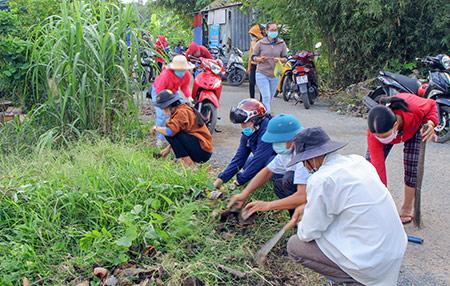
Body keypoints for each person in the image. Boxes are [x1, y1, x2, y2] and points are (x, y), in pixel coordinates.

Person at [286, 127, 407, 286]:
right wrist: (310, 209)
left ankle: (356, 282)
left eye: (304, 161)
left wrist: (304, 220)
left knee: (295, 245)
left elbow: (308, 233)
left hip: (370, 261)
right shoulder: (358, 162)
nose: (305, 167)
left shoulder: (322, 179)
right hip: (394, 249)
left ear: (313, 158)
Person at [366, 93, 438, 224]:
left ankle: (407, 208)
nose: (382, 139)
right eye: (379, 137)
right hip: (392, 131)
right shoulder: (375, 133)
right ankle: (372, 205)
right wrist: (383, 204)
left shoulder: (415, 108)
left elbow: (432, 105)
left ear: (395, 126)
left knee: (412, 169)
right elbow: (378, 170)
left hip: (413, 128)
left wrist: (432, 123)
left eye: (384, 136)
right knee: (369, 170)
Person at [227, 114, 309, 217]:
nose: (275, 145)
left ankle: (308, 220)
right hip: (309, 192)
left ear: (291, 138)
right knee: (280, 184)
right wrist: (245, 193)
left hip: (323, 196)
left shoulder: (305, 154)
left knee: (289, 179)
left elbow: (302, 196)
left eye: (277, 141)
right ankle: (297, 220)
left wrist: (267, 205)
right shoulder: (287, 151)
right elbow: (267, 171)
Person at [213, 99, 275, 189]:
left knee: (268, 164)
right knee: (247, 163)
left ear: (255, 120)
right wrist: (220, 179)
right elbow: (239, 157)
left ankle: (274, 186)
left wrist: (238, 182)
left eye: (244, 123)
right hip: (264, 158)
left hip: (279, 160)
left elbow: (259, 160)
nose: (242, 126)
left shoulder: (267, 131)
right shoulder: (249, 131)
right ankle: (262, 177)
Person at [152, 90, 212, 167]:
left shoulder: (181, 113)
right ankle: (188, 163)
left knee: (168, 132)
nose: (163, 111)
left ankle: (190, 165)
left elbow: (170, 132)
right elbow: (180, 134)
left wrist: (156, 128)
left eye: (163, 108)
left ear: (169, 106)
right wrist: (168, 149)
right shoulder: (182, 109)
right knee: (174, 132)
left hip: (202, 151)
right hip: (202, 149)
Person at [150, 55, 194, 146]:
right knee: (161, 115)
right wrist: (165, 107)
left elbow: (184, 87)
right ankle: (160, 139)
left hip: (173, 91)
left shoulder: (186, 75)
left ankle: (172, 134)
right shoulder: (166, 75)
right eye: (179, 69)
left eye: (183, 70)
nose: (182, 72)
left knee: (177, 111)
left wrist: (188, 96)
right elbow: (160, 90)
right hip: (159, 92)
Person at [252, 22, 288, 113]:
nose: (274, 32)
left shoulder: (281, 43)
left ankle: (261, 113)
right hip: (262, 73)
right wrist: (260, 59)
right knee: (266, 97)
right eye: (272, 30)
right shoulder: (260, 43)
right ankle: (267, 117)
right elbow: (253, 57)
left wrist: (279, 59)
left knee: (269, 98)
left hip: (275, 74)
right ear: (267, 31)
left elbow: (285, 58)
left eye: (275, 30)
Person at [248, 24, 265, 99]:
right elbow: (251, 56)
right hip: (253, 65)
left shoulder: (264, 42)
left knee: (261, 84)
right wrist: (248, 67)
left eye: (253, 35)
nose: (252, 37)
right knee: (251, 83)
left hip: (261, 65)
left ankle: (262, 101)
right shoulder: (253, 42)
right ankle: (252, 99)